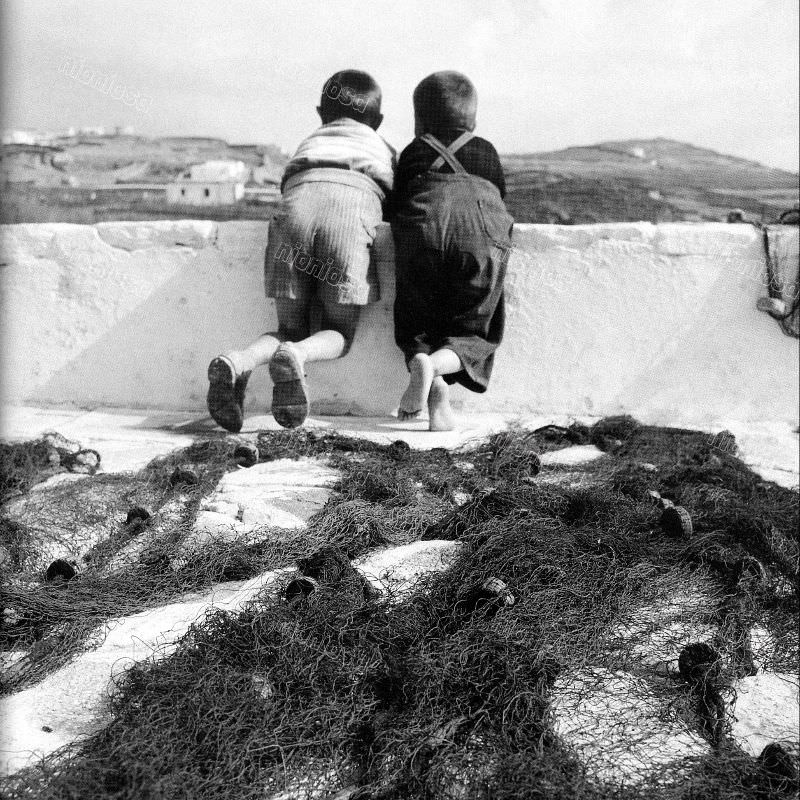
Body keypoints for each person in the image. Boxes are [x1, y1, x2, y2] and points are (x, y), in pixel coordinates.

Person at [206, 70, 395, 430]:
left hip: (295, 212)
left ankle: (238, 360)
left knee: (288, 326)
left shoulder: (310, 142)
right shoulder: (382, 149)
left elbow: (288, 186)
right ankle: (297, 355)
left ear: (320, 113)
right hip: (349, 213)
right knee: (340, 331)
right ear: (378, 121)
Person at [391, 71, 513, 431]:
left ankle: (424, 366)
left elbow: (396, 205)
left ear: (418, 121)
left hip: (423, 229)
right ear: (473, 120)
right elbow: (498, 200)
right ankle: (439, 371)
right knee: (476, 326)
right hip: (478, 236)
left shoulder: (414, 152)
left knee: (415, 319)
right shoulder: (486, 151)